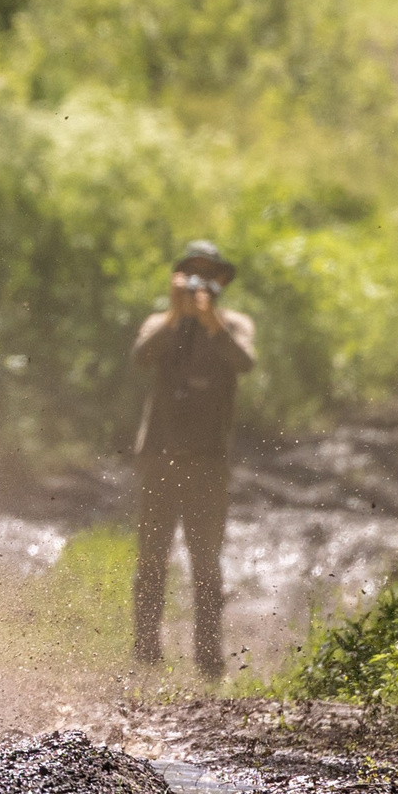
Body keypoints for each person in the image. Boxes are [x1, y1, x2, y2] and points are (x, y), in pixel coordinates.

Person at [128, 240, 256, 679]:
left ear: (222, 281)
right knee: (152, 558)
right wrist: (174, 314)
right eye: (192, 275)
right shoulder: (161, 324)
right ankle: (145, 654)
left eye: (208, 275)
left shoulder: (233, 325)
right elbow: (141, 357)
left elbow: (245, 362)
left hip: (208, 459)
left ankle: (208, 660)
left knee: (206, 561)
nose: (202, 284)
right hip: (159, 456)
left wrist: (209, 322)